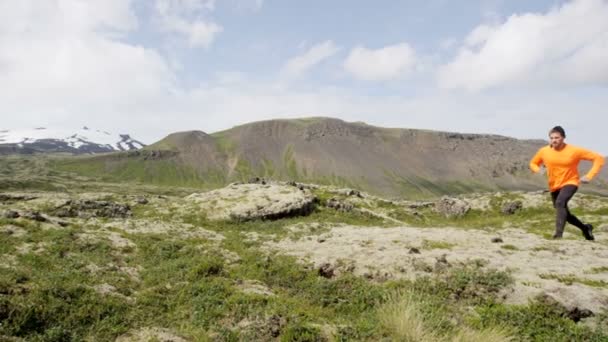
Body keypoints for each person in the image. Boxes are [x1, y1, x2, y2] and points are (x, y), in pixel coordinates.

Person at [529, 125, 605, 240]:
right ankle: (585, 228)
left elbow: (598, 158)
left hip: (571, 182)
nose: (554, 140)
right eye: (552, 138)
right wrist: (538, 170)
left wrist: (589, 176)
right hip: (554, 186)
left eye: (557, 137)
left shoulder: (574, 151)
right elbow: (533, 163)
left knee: (560, 203)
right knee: (565, 213)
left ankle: (558, 236)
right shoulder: (544, 151)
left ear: (563, 138)